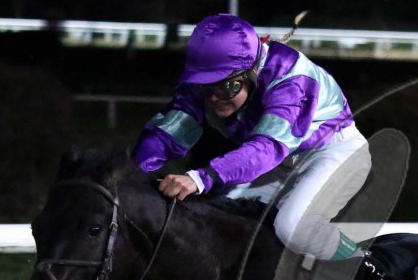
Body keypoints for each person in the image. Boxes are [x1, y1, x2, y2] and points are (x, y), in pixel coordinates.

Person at [133, 13, 370, 261]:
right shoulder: (209, 80)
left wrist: (202, 177)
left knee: (292, 228)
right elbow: (167, 131)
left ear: (253, 71)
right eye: (205, 86)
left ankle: (362, 264)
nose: (213, 98)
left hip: (334, 153)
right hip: (279, 164)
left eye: (226, 87)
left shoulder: (291, 79)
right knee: (219, 221)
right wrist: (132, 173)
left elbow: (266, 149)